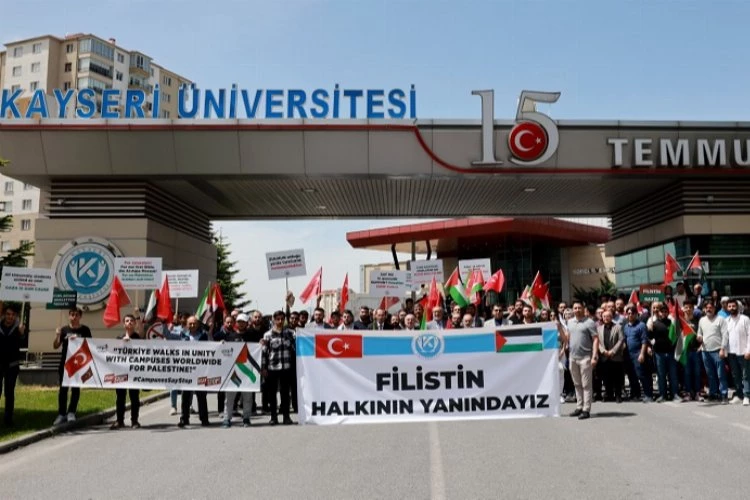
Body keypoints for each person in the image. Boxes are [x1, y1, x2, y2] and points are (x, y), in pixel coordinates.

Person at [53, 307, 92, 425]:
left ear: (80, 316)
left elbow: (90, 345)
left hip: (79, 363)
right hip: (65, 363)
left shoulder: (85, 329)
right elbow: (55, 346)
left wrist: (79, 340)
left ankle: (71, 412)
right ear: (69, 316)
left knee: (75, 388)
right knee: (63, 389)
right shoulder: (64, 329)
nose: (74, 317)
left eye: (76, 315)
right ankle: (61, 413)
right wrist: (57, 335)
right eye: (72, 315)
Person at [562, 302, 599, 419]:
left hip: (585, 358)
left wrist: (594, 356)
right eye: (575, 308)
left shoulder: (589, 322)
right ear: (573, 310)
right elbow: (566, 338)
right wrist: (559, 327)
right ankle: (579, 406)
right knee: (577, 384)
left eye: (579, 308)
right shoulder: (570, 322)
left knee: (586, 385)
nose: (577, 309)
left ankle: (586, 409)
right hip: (573, 357)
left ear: (583, 309)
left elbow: (596, 339)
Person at [262, 310, 295, 425]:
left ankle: (286, 417)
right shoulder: (267, 335)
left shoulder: (290, 334)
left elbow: (295, 349)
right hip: (272, 368)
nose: (280, 321)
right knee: (272, 394)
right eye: (278, 319)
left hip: (286, 368)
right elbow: (264, 353)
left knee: (285, 394)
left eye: (282, 319)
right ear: (273, 319)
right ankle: (273, 417)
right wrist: (264, 368)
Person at [111, 312, 144, 429]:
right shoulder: (119, 338)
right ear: (123, 324)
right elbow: (113, 353)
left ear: (134, 323)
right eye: (127, 321)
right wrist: (122, 344)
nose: (129, 322)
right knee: (120, 397)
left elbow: (142, 336)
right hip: (121, 371)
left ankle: (134, 420)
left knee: (134, 397)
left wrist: (138, 317)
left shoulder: (137, 337)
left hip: (134, 371)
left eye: (131, 321)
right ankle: (119, 420)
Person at [178, 316, 210, 427]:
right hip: (186, 370)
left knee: (201, 396)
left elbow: (211, 347)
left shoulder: (204, 335)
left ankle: (204, 419)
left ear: (198, 324)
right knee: (185, 396)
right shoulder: (181, 335)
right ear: (186, 324)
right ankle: (184, 419)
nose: (192, 325)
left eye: (194, 323)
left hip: (200, 369)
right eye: (190, 323)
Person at [220, 325, 254, 428]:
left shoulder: (251, 335)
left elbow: (257, 347)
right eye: (239, 321)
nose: (241, 323)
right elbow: (223, 351)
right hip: (233, 371)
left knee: (247, 397)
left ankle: (246, 418)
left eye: (243, 322)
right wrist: (222, 344)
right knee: (229, 398)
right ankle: (227, 419)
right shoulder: (230, 336)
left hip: (247, 370)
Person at [697, 302, 729, 403]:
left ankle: (724, 394)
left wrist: (722, 349)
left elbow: (725, 335)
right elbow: (699, 333)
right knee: (710, 374)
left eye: (711, 308)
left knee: (721, 375)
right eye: (707, 308)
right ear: (704, 309)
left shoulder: (721, 320)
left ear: (715, 309)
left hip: (717, 351)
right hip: (705, 351)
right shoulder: (702, 320)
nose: (709, 309)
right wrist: (699, 337)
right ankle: (714, 393)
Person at [0, 303, 26, 427]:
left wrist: (22, 333)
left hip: (12, 365)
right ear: (4, 315)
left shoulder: (18, 328)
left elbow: (23, 343)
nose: (10, 317)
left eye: (13, 315)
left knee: (9, 393)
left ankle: (8, 419)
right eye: (8, 314)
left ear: (16, 316)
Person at [649, 303, 679, 402]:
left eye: (666, 311)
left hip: (670, 353)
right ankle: (663, 395)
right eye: (662, 311)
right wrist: (650, 329)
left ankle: (674, 394)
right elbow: (649, 337)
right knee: (661, 375)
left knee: (673, 375)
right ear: (659, 313)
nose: (664, 313)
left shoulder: (672, 323)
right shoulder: (654, 324)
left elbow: (676, 336)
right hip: (659, 353)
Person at [725, 298, 750, 405]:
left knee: (746, 375)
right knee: (735, 375)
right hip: (731, 353)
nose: (731, 308)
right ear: (727, 308)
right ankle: (739, 395)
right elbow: (725, 337)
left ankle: (747, 396)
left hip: (743, 352)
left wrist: (748, 350)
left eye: (733, 306)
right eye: (729, 306)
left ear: (737, 307)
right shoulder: (726, 321)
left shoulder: (745, 319)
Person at [597, 310, 624, 402]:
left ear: (611, 317)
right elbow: (597, 342)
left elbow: (621, 340)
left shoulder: (618, 327)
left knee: (617, 378)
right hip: (604, 357)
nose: (606, 318)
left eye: (608, 316)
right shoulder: (599, 328)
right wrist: (603, 351)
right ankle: (609, 395)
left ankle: (618, 395)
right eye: (604, 316)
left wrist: (613, 351)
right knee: (606, 377)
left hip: (615, 357)